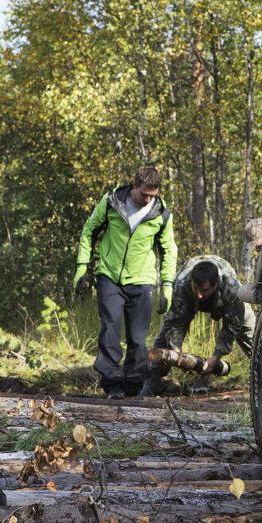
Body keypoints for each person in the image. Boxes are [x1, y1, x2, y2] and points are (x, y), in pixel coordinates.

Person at [74, 166, 177, 399]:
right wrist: (82, 267)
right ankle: (112, 385)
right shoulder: (112, 202)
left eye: (153, 195)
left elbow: (169, 250)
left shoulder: (161, 213)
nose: (148, 199)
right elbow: (89, 230)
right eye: (144, 194)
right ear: (134, 186)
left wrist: (167, 285)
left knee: (137, 338)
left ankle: (132, 387)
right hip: (109, 276)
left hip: (142, 280)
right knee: (110, 329)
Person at [141, 255, 255, 397]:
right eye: (196, 289)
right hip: (186, 299)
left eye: (204, 290)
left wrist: (216, 357)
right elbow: (175, 322)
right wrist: (177, 354)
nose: (199, 295)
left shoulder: (231, 289)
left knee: (253, 335)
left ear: (215, 284)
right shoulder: (183, 284)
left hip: (230, 302)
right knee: (164, 341)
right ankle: (152, 382)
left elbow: (232, 325)